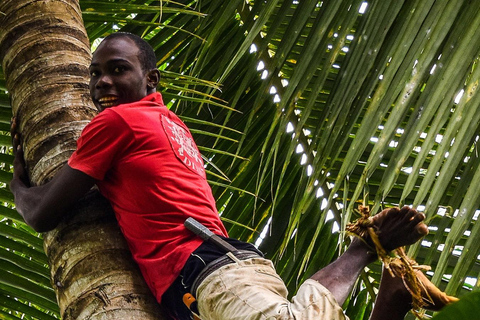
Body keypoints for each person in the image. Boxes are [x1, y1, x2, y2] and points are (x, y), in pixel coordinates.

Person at [9, 32, 455, 320]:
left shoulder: (116, 123)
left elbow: (44, 213)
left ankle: (361, 252)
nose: (102, 82)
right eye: (94, 74)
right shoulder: (168, 124)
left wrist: (18, 181)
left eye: (118, 69)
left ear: (151, 77)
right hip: (226, 269)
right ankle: (385, 292)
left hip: (206, 272)